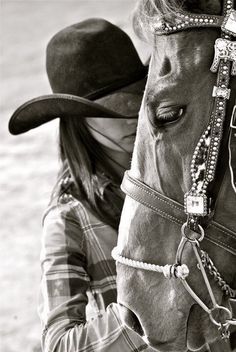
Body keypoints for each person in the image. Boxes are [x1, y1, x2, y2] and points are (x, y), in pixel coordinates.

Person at [9, 18, 153, 352]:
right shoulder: (68, 218)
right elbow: (59, 345)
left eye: (139, 97)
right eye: (114, 107)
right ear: (80, 118)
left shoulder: (184, 174)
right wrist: (143, 308)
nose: (132, 114)